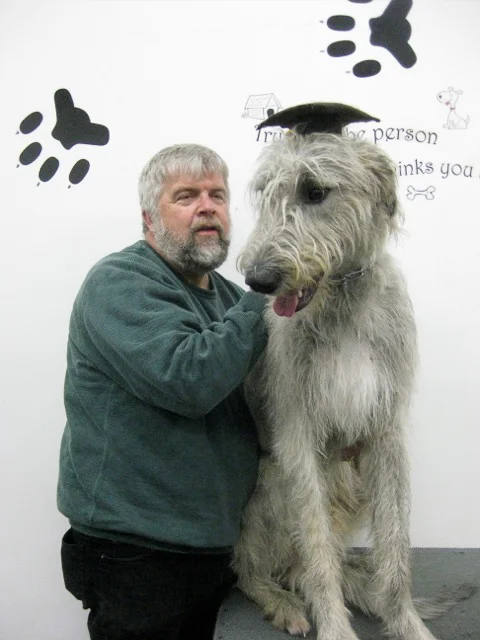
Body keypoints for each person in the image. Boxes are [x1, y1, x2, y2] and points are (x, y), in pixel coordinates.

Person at [57, 143, 268, 640]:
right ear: (149, 217)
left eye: (217, 195)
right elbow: (188, 379)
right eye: (186, 196)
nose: (207, 207)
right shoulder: (119, 282)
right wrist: (269, 288)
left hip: (218, 548)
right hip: (139, 559)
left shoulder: (231, 298)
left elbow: (260, 402)